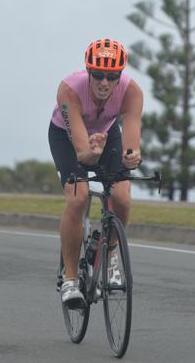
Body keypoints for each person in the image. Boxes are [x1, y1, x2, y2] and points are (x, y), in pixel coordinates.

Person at [48, 38, 143, 309]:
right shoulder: (69, 90)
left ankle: (109, 251)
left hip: (107, 134)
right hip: (67, 138)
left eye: (112, 76)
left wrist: (132, 156)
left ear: (119, 76)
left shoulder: (132, 93)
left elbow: (131, 145)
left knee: (122, 197)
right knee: (77, 198)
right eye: (98, 75)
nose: (104, 82)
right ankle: (69, 280)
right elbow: (83, 155)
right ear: (88, 72)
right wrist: (93, 152)